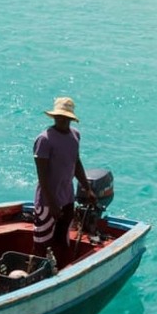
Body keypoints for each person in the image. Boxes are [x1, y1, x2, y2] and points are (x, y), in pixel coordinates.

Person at [32, 97, 92, 262]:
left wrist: (87, 188)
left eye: (65, 117)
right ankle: (37, 275)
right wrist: (51, 202)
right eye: (59, 117)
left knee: (62, 238)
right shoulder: (44, 140)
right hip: (47, 201)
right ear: (54, 117)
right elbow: (42, 176)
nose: (62, 120)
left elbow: (76, 163)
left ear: (71, 119)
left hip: (67, 198)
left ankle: (61, 269)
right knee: (42, 243)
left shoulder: (75, 136)